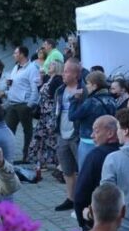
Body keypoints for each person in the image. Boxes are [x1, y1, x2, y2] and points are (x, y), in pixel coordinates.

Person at [73, 115, 120, 229]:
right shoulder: (124, 152)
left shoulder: (95, 156)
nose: (92, 135)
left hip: (99, 220)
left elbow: (81, 191)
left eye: (96, 131)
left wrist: (83, 220)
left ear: (110, 133)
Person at [69, 70, 119, 170]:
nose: (86, 86)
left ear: (95, 86)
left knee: (86, 172)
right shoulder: (112, 100)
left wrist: (74, 99)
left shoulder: (91, 102)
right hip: (108, 142)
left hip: (89, 142)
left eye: (88, 84)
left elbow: (72, 116)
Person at [53, 59, 84, 206]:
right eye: (63, 70)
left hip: (77, 135)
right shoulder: (60, 90)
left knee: (83, 169)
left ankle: (83, 199)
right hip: (62, 134)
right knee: (67, 170)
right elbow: (57, 111)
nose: (63, 74)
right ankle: (70, 198)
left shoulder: (84, 91)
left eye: (66, 71)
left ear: (76, 74)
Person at [4, 46, 41, 160]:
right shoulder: (16, 67)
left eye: (15, 53)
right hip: (13, 103)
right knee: (8, 130)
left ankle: (27, 155)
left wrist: (30, 104)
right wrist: (9, 84)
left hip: (23, 104)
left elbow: (35, 88)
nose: (14, 55)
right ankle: (7, 154)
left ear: (22, 55)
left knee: (27, 131)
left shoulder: (32, 68)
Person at [28, 59, 64, 176]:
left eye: (52, 64)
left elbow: (53, 96)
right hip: (44, 112)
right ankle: (42, 161)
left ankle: (59, 162)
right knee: (40, 136)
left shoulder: (58, 80)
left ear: (58, 67)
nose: (50, 66)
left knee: (51, 137)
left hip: (51, 113)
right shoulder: (49, 79)